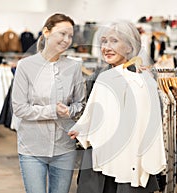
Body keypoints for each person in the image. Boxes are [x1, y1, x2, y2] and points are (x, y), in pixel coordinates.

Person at [68, 21, 165, 193]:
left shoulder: (144, 80)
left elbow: (147, 127)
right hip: (98, 162)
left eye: (114, 41)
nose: (106, 47)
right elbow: (96, 114)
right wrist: (82, 128)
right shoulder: (102, 76)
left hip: (128, 164)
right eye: (104, 41)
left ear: (129, 47)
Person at [12, 13, 85, 193]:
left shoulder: (74, 66)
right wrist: (52, 111)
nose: (67, 40)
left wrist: (70, 111)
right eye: (62, 34)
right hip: (32, 148)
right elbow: (20, 108)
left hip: (64, 149)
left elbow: (80, 104)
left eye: (70, 36)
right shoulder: (25, 66)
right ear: (46, 32)